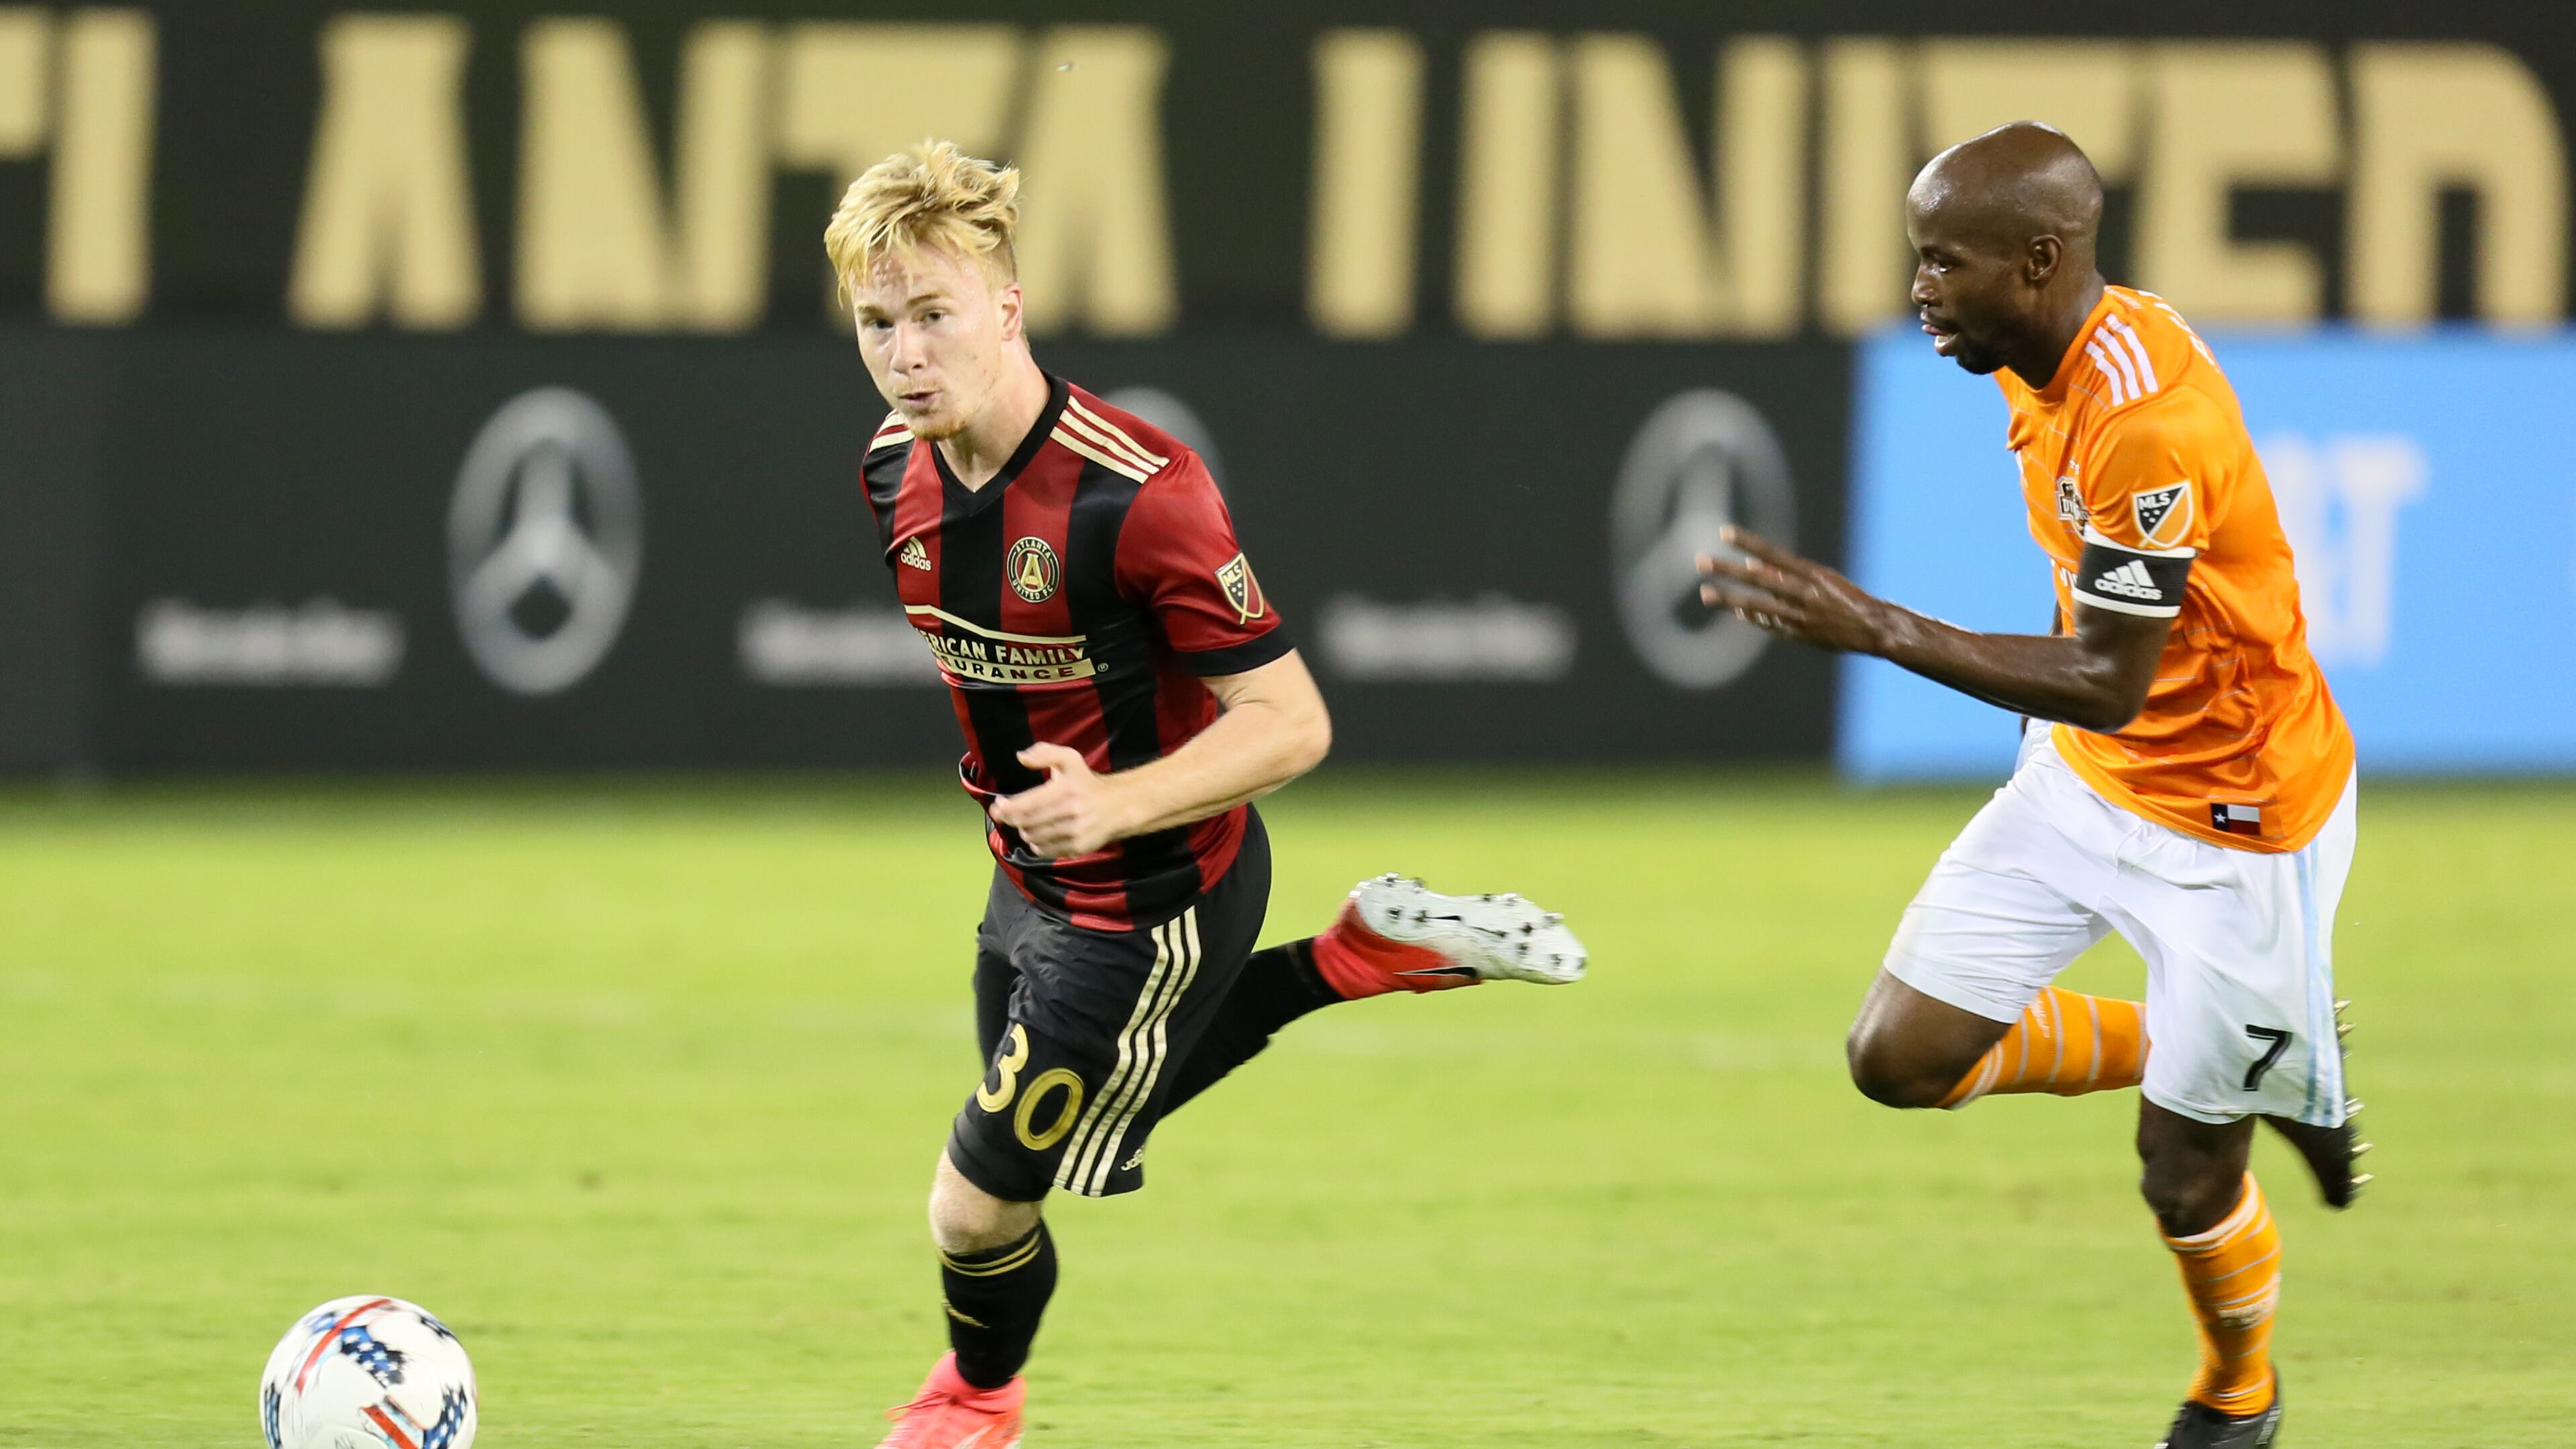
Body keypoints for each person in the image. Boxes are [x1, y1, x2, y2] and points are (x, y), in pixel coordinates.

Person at [824, 142, 1587, 1449]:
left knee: (976, 1200)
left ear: (1008, 307)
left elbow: (1293, 723)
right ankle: (1355, 958)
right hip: (1028, 881)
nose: (905, 354)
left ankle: (971, 1405)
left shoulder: (1142, 493)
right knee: (1040, 1163)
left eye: (934, 314)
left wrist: (1116, 807)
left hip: (1157, 892)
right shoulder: (896, 465)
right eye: (878, 323)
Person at [1698, 123, 2361, 1449]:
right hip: (2087, 779)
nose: (1920, 288)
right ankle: (2259, 1054)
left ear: (2040, 259)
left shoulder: (2144, 430)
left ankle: (2240, 1393)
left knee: (2181, 1179)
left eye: (1943, 262)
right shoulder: (2035, 351)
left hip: (2237, 816)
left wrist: (1880, 628)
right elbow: (2102, 694)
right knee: (1898, 1059)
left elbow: (2107, 675)